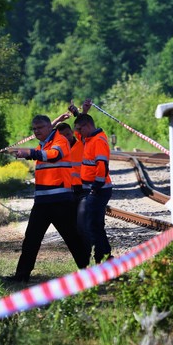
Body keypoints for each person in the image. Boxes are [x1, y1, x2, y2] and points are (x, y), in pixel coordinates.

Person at [10, 115, 89, 283]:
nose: (36, 131)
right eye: (34, 129)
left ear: (49, 127)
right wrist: (32, 152)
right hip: (42, 202)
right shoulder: (43, 144)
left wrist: (29, 153)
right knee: (31, 239)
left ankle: (89, 272)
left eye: (39, 128)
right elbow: (46, 154)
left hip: (61, 201)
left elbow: (54, 155)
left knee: (72, 238)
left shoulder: (60, 141)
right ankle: (21, 277)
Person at [73, 113, 113, 263]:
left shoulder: (98, 141)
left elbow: (102, 166)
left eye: (79, 128)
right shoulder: (88, 139)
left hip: (99, 189)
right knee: (95, 224)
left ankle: (104, 257)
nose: (78, 132)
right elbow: (77, 134)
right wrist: (78, 114)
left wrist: (95, 187)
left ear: (88, 126)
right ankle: (103, 257)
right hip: (94, 189)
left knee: (92, 225)